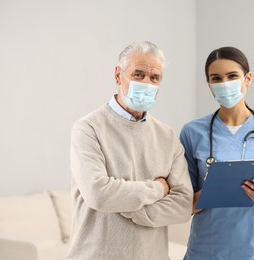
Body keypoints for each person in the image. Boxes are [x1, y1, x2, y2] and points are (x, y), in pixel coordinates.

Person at [67, 41, 193, 260]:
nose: (147, 82)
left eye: (155, 78)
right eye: (139, 74)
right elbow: (99, 194)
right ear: (118, 75)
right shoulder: (88, 128)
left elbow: (183, 204)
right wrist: (158, 189)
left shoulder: (167, 136)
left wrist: (132, 209)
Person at [179, 46, 254, 260]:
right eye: (216, 78)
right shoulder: (192, 132)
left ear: (248, 78)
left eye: (232, 76)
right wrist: (212, 191)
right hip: (208, 249)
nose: (224, 83)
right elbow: (183, 203)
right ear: (209, 85)